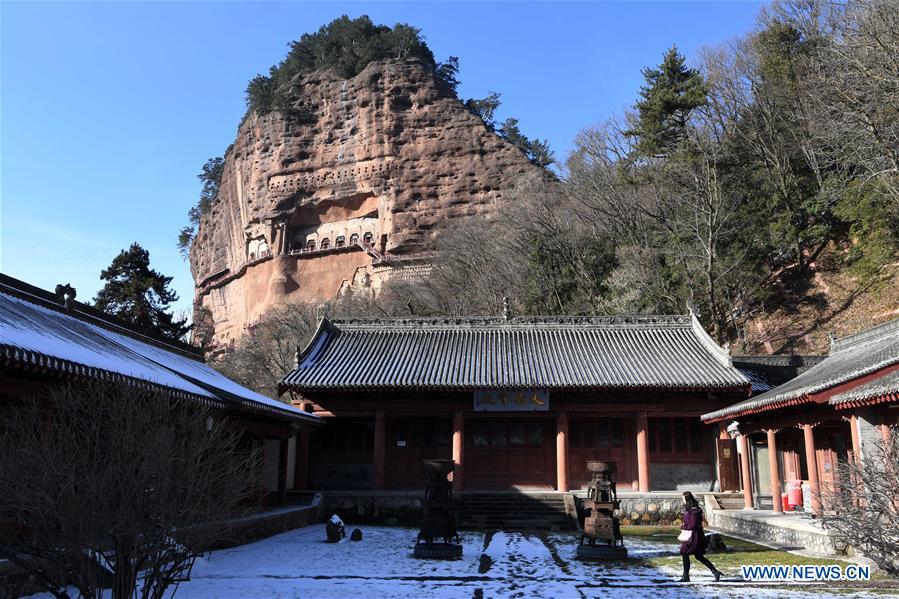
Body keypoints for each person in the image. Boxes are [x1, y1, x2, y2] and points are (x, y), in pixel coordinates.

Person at [678, 491, 722, 582]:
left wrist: (684, 527)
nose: (682, 500)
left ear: (687, 499)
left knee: (685, 553)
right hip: (694, 535)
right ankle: (715, 572)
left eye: (683, 498)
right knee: (698, 555)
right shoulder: (690, 509)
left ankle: (686, 576)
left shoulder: (694, 511)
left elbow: (693, 525)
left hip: (694, 536)